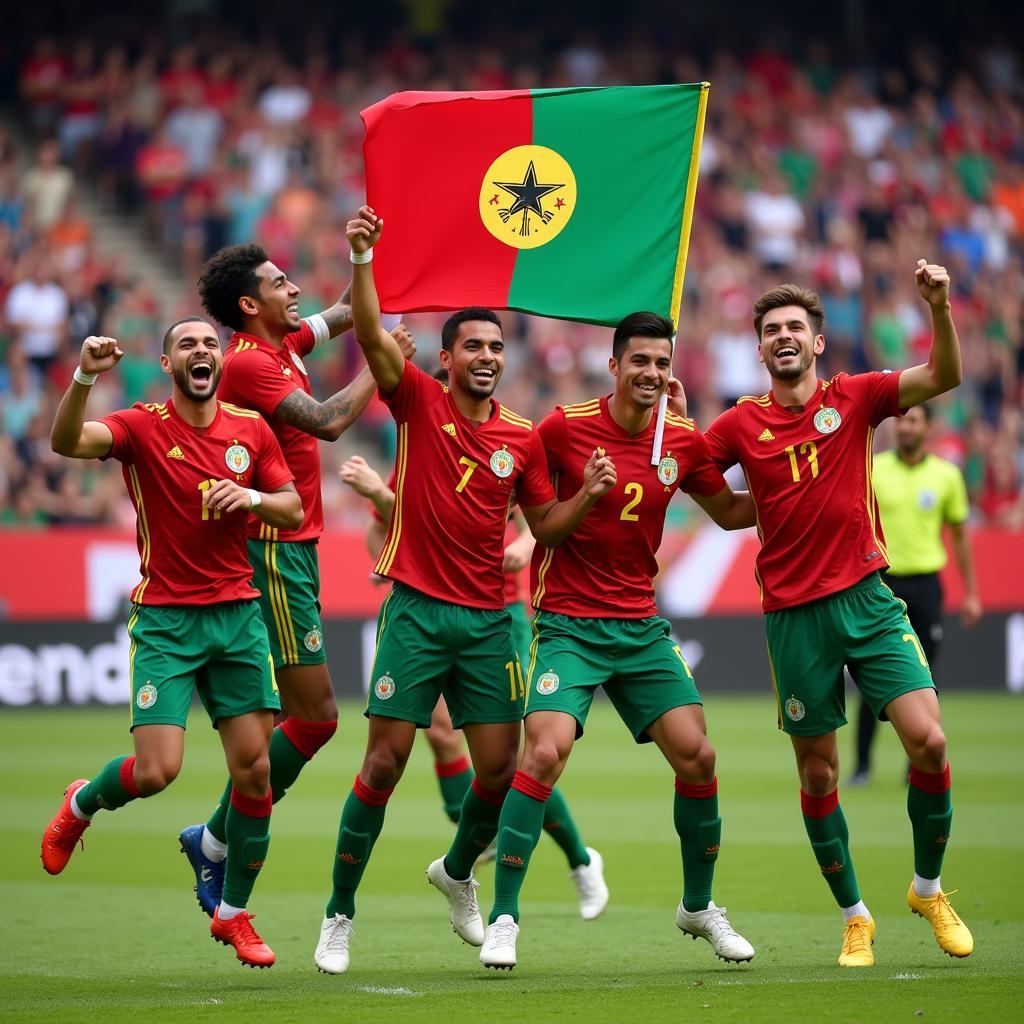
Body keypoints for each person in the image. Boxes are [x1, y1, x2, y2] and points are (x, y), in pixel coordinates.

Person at [313, 206, 614, 975]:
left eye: (494, 347)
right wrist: (362, 260)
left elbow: (545, 527)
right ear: (444, 358)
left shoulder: (523, 437)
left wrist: (589, 500)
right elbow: (378, 338)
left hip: (488, 623)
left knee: (495, 771)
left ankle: (456, 872)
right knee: (383, 765)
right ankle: (338, 914)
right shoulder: (415, 402)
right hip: (414, 611)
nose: (485, 356)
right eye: (471, 346)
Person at [703, 261, 974, 967]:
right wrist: (675, 426)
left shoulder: (855, 398)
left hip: (868, 599)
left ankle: (928, 889)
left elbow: (943, 375)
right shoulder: (737, 423)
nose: (784, 337)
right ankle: (856, 917)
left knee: (931, 743)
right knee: (819, 775)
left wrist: (939, 308)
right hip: (794, 618)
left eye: (795, 327)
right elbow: (715, 500)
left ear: (817, 343)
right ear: (759, 350)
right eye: (771, 331)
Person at [478, 312, 757, 971]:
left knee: (699, 757)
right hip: (569, 623)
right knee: (544, 753)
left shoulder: (681, 440)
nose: (652, 374)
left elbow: (732, 514)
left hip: (639, 627)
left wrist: (799, 484)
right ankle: (504, 918)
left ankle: (698, 906)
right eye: (640, 362)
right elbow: (542, 525)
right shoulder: (563, 428)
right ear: (614, 366)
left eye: (662, 363)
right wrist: (589, 492)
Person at [41, 323, 303, 968]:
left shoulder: (250, 429)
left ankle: (234, 914)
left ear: (220, 358)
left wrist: (251, 496)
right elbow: (66, 441)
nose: (201, 352)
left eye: (209, 344)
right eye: (186, 345)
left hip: (237, 618)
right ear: (166, 362)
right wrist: (84, 376)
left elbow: (293, 508)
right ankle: (81, 803)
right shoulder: (142, 425)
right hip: (166, 620)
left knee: (257, 772)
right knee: (157, 772)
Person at [177, 243, 413, 917]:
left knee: (287, 720)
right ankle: (217, 842)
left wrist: (373, 263)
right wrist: (384, 362)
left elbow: (341, 312)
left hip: (292, 548)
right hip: (270, 550)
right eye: (281, 283)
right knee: (314, 719)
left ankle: (216, 840)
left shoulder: (280, 343)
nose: (295, 290)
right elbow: (331, 422)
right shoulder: (251, 363)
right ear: (251, 306)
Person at [340, 454, 608, 914]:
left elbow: (536, 515)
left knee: (522, 759)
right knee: (441, 734)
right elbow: (382, 527)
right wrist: (389, 561)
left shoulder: (504, 446)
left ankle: (581, 861)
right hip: (434, 614)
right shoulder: (417, 447)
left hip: (500, 619)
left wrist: (524, 544)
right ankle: (477, 836)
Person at [852, 404, 982, 785]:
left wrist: (972, 593)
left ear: (929, 427)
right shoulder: (874, 468)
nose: (905, 427)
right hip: (881, 584)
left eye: (913, 421)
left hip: (926, 586)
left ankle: (917, 765)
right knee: (869, 679)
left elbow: (959, 536)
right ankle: (862, 766)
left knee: (924, 678)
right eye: (902, 421)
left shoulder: (946, 476)